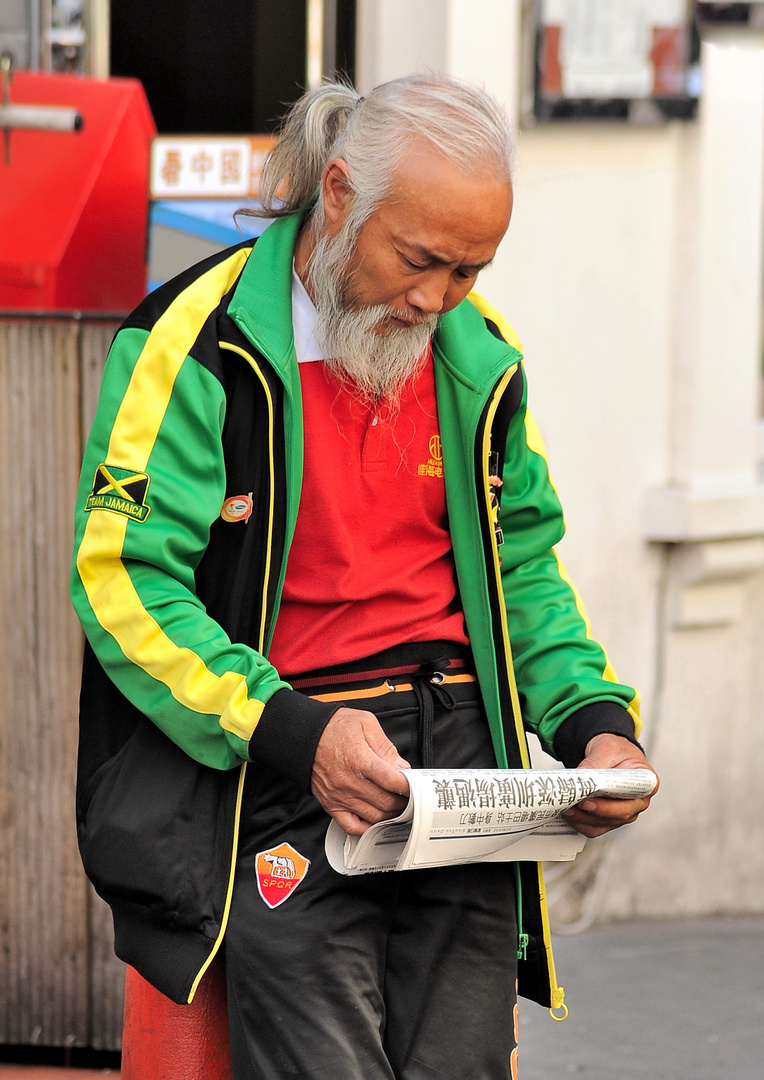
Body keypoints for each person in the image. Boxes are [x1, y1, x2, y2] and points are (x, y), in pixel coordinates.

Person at [71, 74, 657, 1080]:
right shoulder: (193, 343)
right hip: (294, 764)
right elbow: (122, 585)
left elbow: (522, 566)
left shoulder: (478, 354)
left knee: (462, 1066)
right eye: (419, 260)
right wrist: (290, 729)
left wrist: (591, 724)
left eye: (469, 271)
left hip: (466, 771)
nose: (435, 298)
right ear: (338, 195)